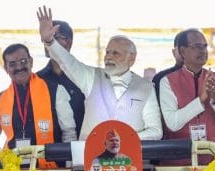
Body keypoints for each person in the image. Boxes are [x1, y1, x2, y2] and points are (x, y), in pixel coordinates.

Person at [37, 6, 162, 141]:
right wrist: (50, 42)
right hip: (90, 157)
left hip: (130, 159)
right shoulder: (92, 77)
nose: (109, 57)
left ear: (131, 58)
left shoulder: (146, 87)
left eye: (115, 53)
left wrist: (125, 138)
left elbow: (155, 131)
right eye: (107, 52)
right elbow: (68, 63)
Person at [0, 43, 76, 166]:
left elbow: (69, 132)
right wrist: (1, 157)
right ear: (6, 69)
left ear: (31, 62)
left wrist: (69, 167)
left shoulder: (56, 90)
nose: (19, 67)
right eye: (12, 64)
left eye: (23, 61)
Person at [157, 28, 215, 165]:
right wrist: (200, 100)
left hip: (213, 165)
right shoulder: (167, 81)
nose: (203, 51)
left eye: (205, 46)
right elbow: (173, 123)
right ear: (182, 51)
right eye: (197, 46)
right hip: (177, 166)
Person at [36, 20, 85, 139]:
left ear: (68, 42)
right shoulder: (38, 79)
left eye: (53, 37)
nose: (46, 43)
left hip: (83, 149)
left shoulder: (84, 76)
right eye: (44, 38)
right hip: (48, 152)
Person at [152, 32, 183, 103]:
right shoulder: (160, 78)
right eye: (183, 48)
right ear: (174, 52)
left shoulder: (208, 79)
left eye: (197, 47)